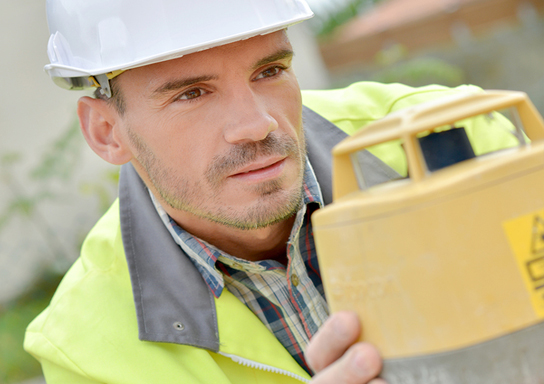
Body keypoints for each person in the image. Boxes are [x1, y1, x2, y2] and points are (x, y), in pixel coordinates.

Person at [24, 1, 516, 383]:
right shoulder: (84, 349)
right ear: (108, 132)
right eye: (191, 94)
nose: (256, 125)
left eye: (270, 71)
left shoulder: (449, 136)